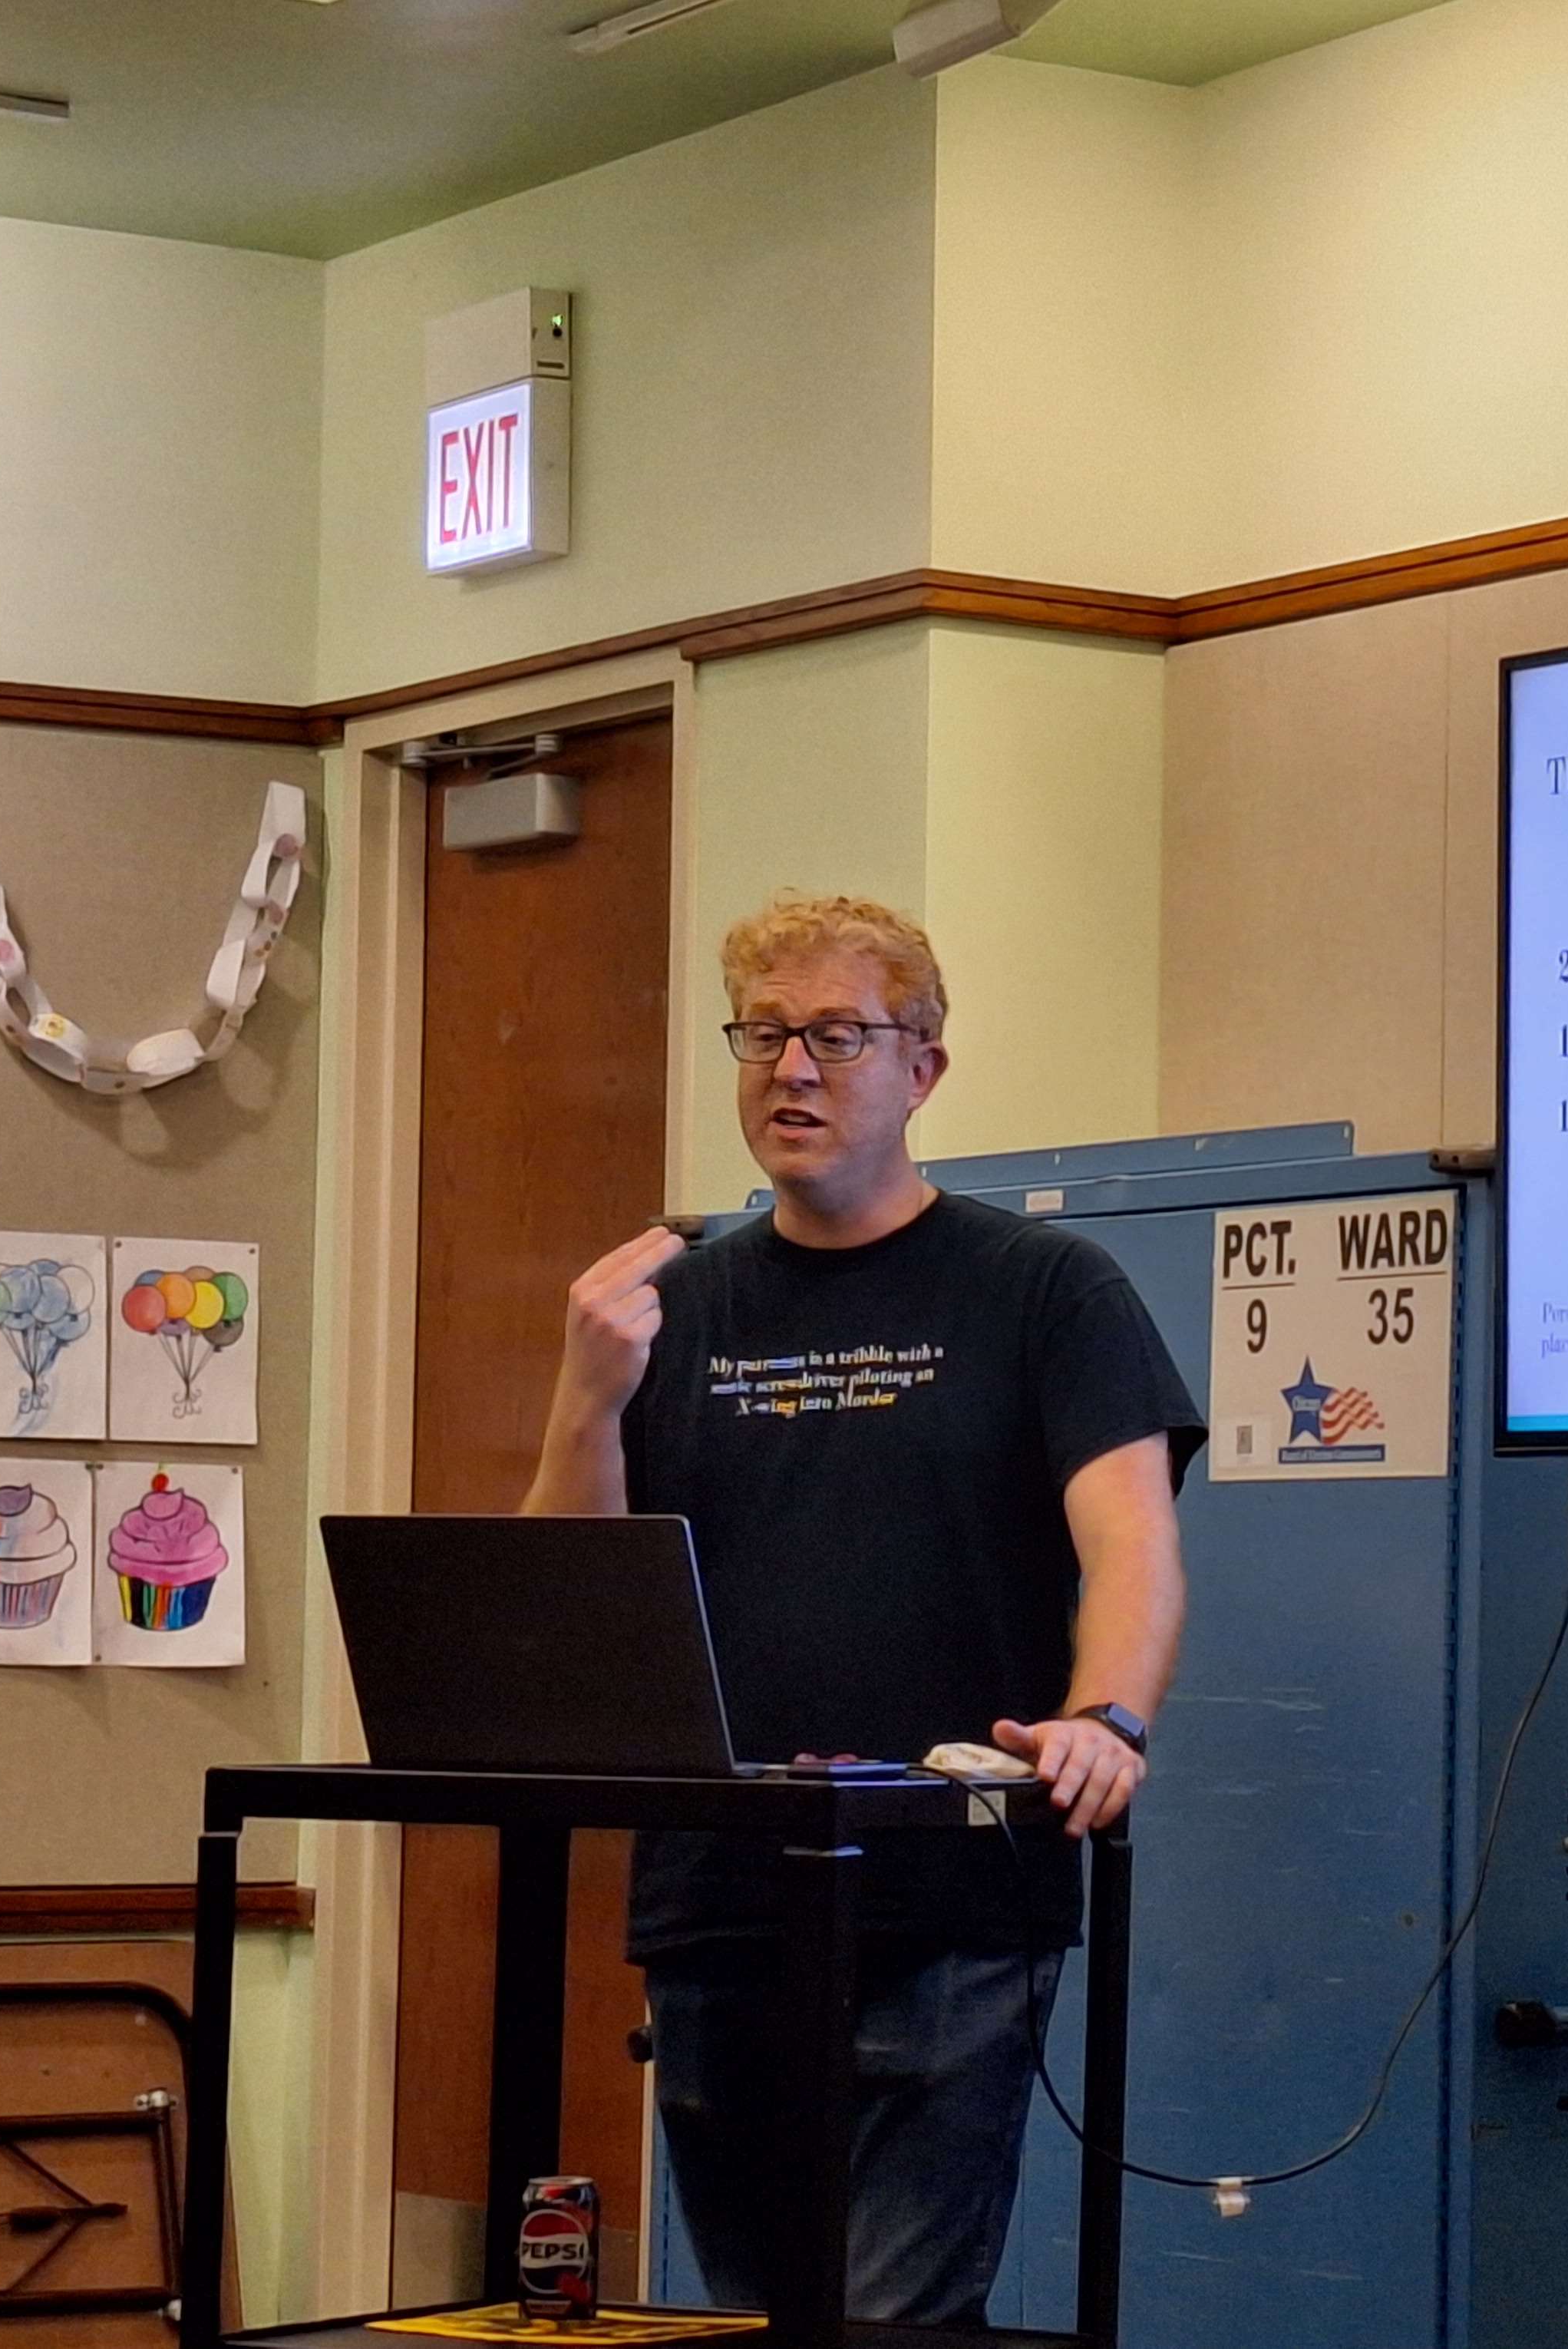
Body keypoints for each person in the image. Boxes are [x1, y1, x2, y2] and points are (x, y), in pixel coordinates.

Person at [523, 892, 1201, 2324]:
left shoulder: (1043, 1288)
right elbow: (562, 1613)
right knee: (753, 2320)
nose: (792, 1069)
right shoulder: (676, 1307)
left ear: (923, 1067)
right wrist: (585, 1398)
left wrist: (1107, 1718)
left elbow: (1134, 1540)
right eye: (763, 1034)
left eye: (838, 1035)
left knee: (891, 2323)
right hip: (719, 1903)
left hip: (952, 1900)